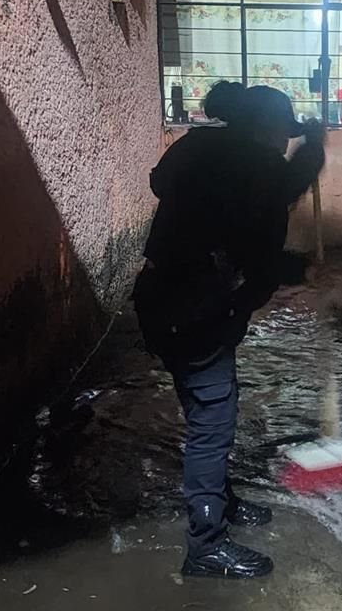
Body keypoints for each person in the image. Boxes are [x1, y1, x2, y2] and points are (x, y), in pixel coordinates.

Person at [133, 82, 325, 579]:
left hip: (163, 298)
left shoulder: (199, 144)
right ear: (267, 125)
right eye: (283, 126)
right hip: (194, 309)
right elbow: (274, 203)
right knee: (211, 425)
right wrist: (316, 149)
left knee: (205, 409)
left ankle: (222, 503)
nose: (286, 136)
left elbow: (161, 183)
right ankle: (206, 547)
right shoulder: (259, 164)